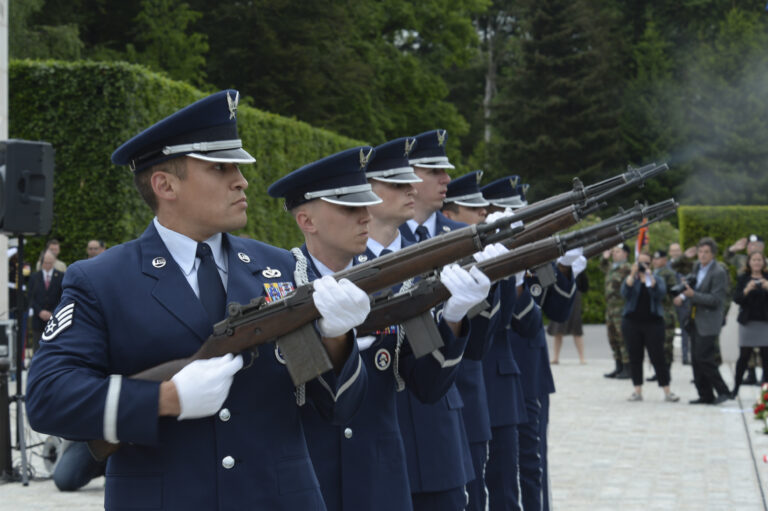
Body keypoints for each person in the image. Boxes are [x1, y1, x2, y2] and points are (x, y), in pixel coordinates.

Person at [26, 90, 370, 510]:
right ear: (165, 184)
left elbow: (339, 410)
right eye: (220, 168)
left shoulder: (281, 268)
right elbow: (47, 396)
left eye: (238, 167)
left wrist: (336, 341)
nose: (241, 180)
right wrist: (165, 399)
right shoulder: (102, 280)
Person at [268, 138, 488, 511]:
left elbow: (428, 384)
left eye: (365, 206)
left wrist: (453, 317)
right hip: (310, 480)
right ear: (307, 220)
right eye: (350, 207)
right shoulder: (282, 285)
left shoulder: (402, 286)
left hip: (380, 479)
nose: (365, 217)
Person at [397, 130, 490, 511]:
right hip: (395, 420)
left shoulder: (465, 239)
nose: (445, 179)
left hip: (446, 411)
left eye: (445, 170)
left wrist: (496, 283)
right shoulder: (373, 242)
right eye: (433, 170)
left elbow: (481, 343)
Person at [673, 237, 731, 405]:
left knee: (704, 358)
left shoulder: (718, 272)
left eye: (706, 252)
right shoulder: (697, 266)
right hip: (694, 319)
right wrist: (683, 295)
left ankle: (723, 391)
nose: (703, 255)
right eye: (700, 251)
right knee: (696, 360)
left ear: (713, 254)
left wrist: (692, 295)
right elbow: (693, 288)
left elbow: (716, 300)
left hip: (709, 321)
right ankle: (705, 395)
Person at [620, 251, 679, 402]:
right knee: (635, 356)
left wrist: (650, 277)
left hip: (653, 323)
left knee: (658, 357)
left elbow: (660, 294)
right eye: (640, 263)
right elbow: (624, 293)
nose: (643, 266)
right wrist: (632, 275)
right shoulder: (631, 278)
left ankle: (667, 391)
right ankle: (637, 390)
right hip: (632, 322)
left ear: (651, 264)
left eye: (646, 263)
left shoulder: (657, 278)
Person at [731, 251, 768, 397]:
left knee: (766, 358)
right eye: (754, 260)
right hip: (747, 323)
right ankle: (735, 388)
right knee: (744, 357)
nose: (757, 262)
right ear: (749, 262)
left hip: (765, 323)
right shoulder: (743, 278)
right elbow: (737, 299)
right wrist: (747, 289)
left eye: (759, 260)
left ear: (763, 263)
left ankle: (765, 391)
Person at [600, 244, 631, 379]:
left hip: (622, 308)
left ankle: (627, 368)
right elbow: (603, 266)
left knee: (623, 338)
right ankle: (618, 367)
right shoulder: (612, 268)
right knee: (612, 337)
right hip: (610, 309)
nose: (614, 254)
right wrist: (605, 257)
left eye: (617, 252)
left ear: (625, 254)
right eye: (614, 252)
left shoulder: (627, 268)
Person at [27, 250, 64, 357]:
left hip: (54, 319)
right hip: (38, 320)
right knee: (38, 350)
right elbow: (30, 297)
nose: (48, 265)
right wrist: (39, 311)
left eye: (50, 263)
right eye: (45, 263)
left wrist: (53, 312)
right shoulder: (34, 277)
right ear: (41, 262)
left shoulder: (61, 276)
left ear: (54, 262)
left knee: (54, 349)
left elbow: (62, 297)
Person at [548, 269, 588, 365]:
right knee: (557, 328)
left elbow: (584, 285)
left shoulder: (578, 264)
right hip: (558, 296)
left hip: (574, 295)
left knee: (576, 326)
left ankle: (582, 357)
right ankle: (555, 357)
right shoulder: (557, 265)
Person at [648, 249, 677, 381]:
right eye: (654, 259)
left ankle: (666, 372)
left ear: (665, 260)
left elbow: (672, 292)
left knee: (666, 345)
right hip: (653, 313)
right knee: (655, 344)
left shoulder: (668, 274)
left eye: (658, 258)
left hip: (666, 313)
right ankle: (658, 372)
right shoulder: (652, 273)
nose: (655, 261)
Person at [668, 243, 691, 364]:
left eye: (678, 250)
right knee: (668, 330)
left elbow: (690, 282)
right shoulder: (666, 266)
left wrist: (681, 296)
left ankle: (685, 357)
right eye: (673, 251)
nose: (676, 253)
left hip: (683, 301)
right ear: (669, 252)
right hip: (669, 303)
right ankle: (668, 356)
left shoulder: (686, 266)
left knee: (685, 330)